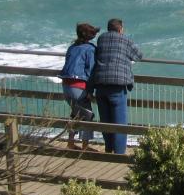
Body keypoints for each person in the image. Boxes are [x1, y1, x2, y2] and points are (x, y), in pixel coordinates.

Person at [86, 18, 142, 154]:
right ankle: (118, 153)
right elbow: (139, 56)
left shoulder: (101, 39)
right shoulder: (126, 40)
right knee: (119, 123)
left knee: (105, 120)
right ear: (121, 29)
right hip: (117, 85)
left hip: (100, 84)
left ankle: (108, 148)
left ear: (108, 28)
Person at [58, 22, 99, 150]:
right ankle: (85, 145)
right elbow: (90, 71)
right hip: (79, 86)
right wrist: (89, 91)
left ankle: (70, 142)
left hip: (66, 85)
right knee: (87, 114)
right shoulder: (90, 49)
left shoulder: (72, 47)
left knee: (75, 113)